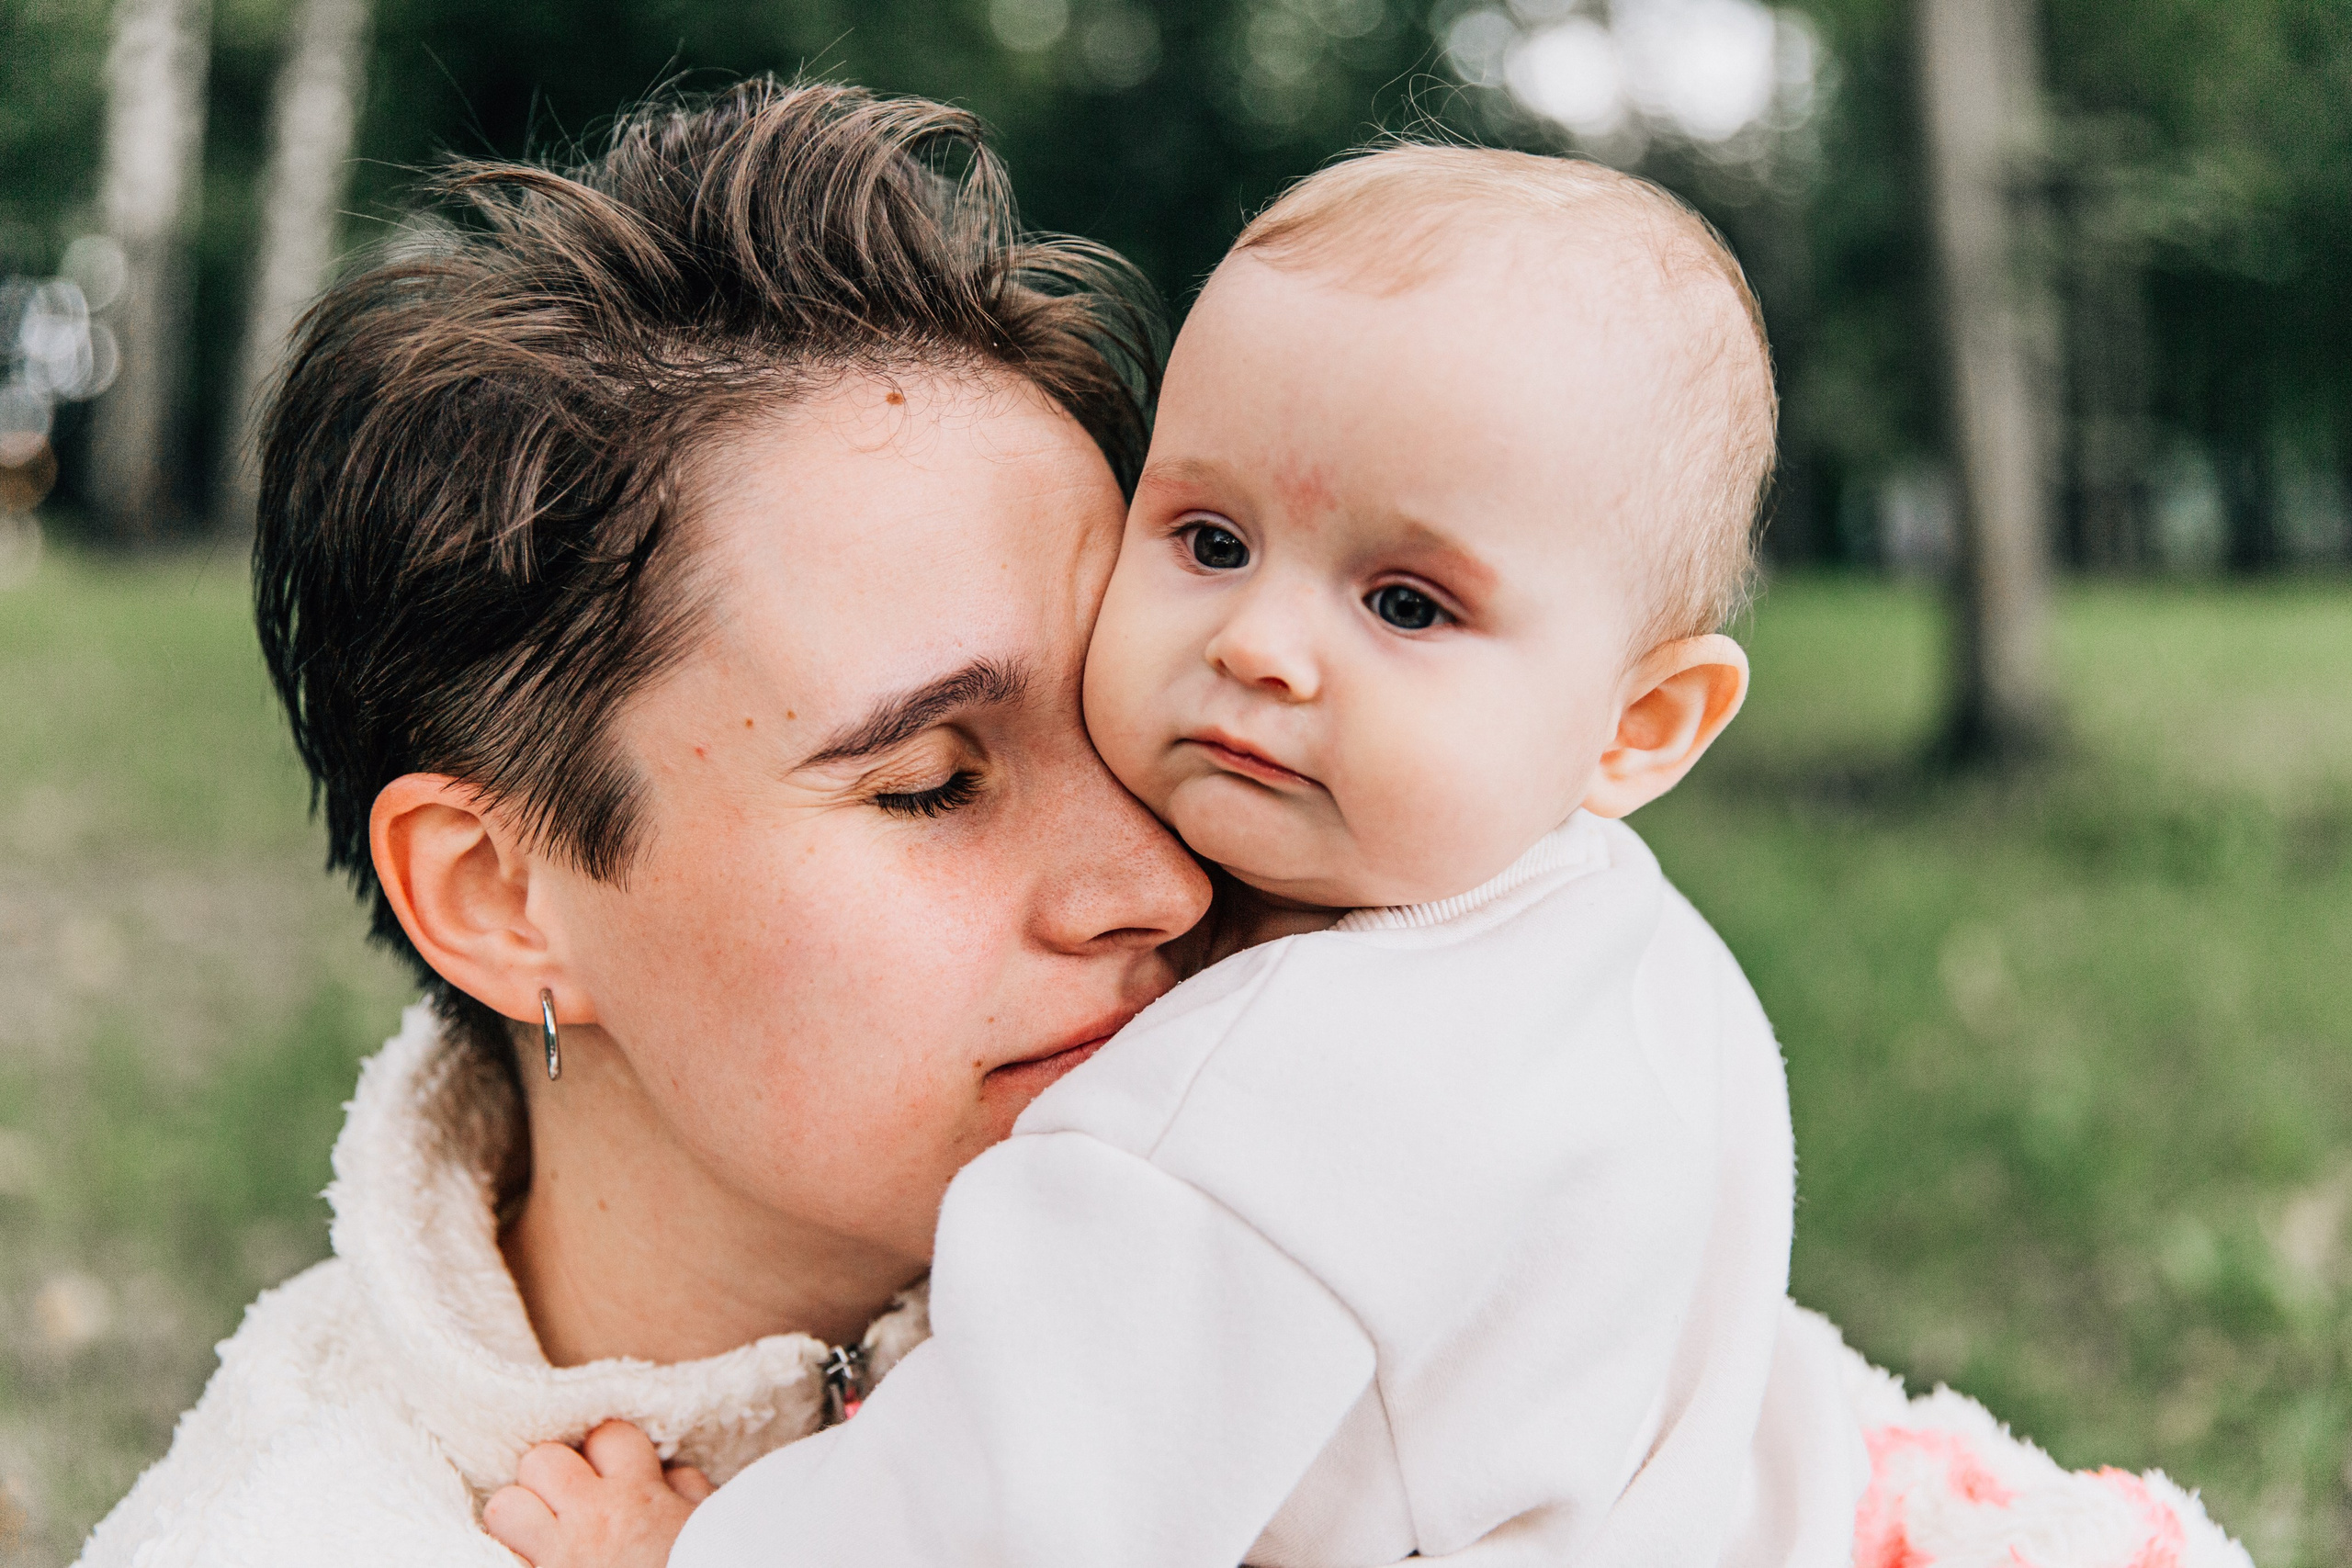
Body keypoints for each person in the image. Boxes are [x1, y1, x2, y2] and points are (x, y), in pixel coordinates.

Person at [481, 149, 2256, 1568]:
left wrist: (696, 1548)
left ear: (1643, 727)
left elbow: (1019, 1513)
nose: (1264, 644)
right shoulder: (1619, 951)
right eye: (1207, 536)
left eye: (1406, 601)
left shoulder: (1247, 1113)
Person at [71, 78, 1214, 1568]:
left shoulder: (1335, 1258)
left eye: (1143, 732)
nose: (1161, 881)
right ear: (499, 896)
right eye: (930, 779)